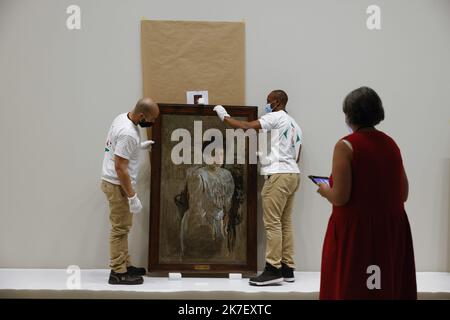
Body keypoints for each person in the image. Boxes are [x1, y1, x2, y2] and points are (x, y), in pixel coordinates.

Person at [317, 86, 417, 299]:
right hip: (390, 231)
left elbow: (341, 197)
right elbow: (404, 193)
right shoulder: (391, 144)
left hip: (356, 233)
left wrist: (326, 190)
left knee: (353, 288)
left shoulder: (345, 146)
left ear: (349, 114)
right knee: (383, 288)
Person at [214, 90, 303, 285]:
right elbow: (298, 156)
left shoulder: (275, 116)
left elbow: (246, 126)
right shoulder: (295, 124)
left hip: (279, 175)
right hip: (293, 174)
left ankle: (273, 268)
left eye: (268, 101)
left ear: (277, 102)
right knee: (285, 222)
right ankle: (287, 268)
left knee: (272, 223)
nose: (266, 104)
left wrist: (224, 116)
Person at [101, 98, 159, 285]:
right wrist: (132, 195)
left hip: (113, 181)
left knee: (124, 227)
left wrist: (137, 148)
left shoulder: (122, 118)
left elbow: (115, 147)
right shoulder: (129, 133)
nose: (153, 122)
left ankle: (125, 264)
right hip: (117, 184)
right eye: (152, 119)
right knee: (120, 229)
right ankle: (118, 272)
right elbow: (121, 168)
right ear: (142, 115)